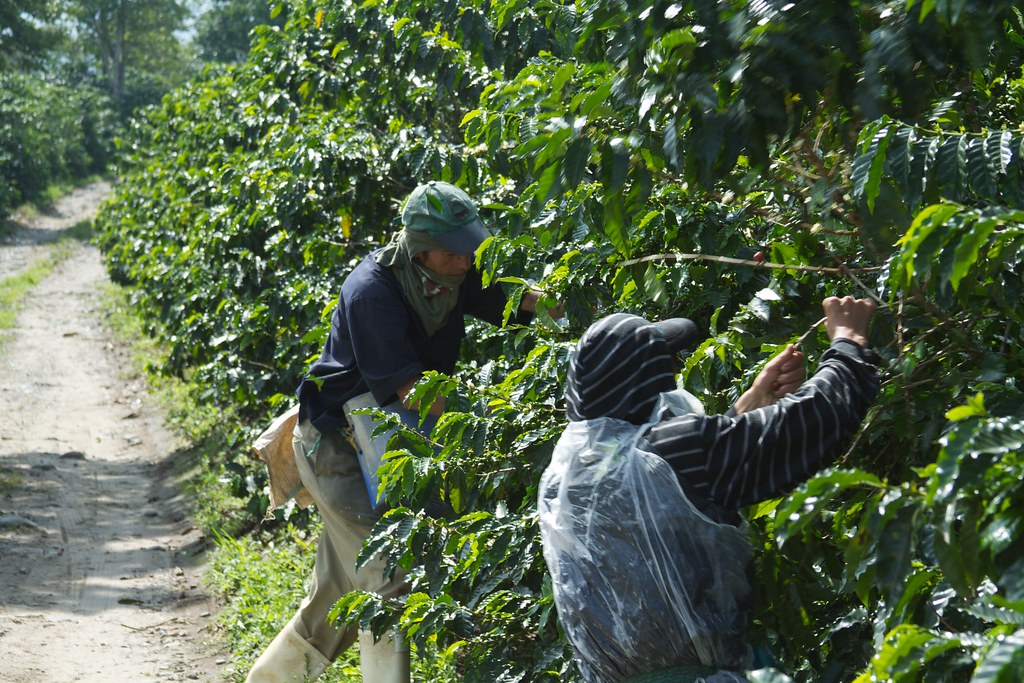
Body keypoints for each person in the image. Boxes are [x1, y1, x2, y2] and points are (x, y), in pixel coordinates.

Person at [247, 181, 548, 683]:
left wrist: (571, 299)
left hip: (385, 445)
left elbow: (519, 299)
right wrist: (497, 418)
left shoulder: (454, 273)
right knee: (387, 584)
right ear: (422, 249)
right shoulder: (372, 292)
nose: (468, 261)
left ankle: (269, 680)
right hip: (337, 449)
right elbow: (412, 392)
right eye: (457, 252)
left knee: (340, 593)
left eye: (471, 251)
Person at [538, 296, 879, 682]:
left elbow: (676, 501)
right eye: (668, 367)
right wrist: (848, 342)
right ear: (652, 383)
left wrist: (749, 407)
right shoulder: (672, 450)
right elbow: (815, 421)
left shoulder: (565, 477)